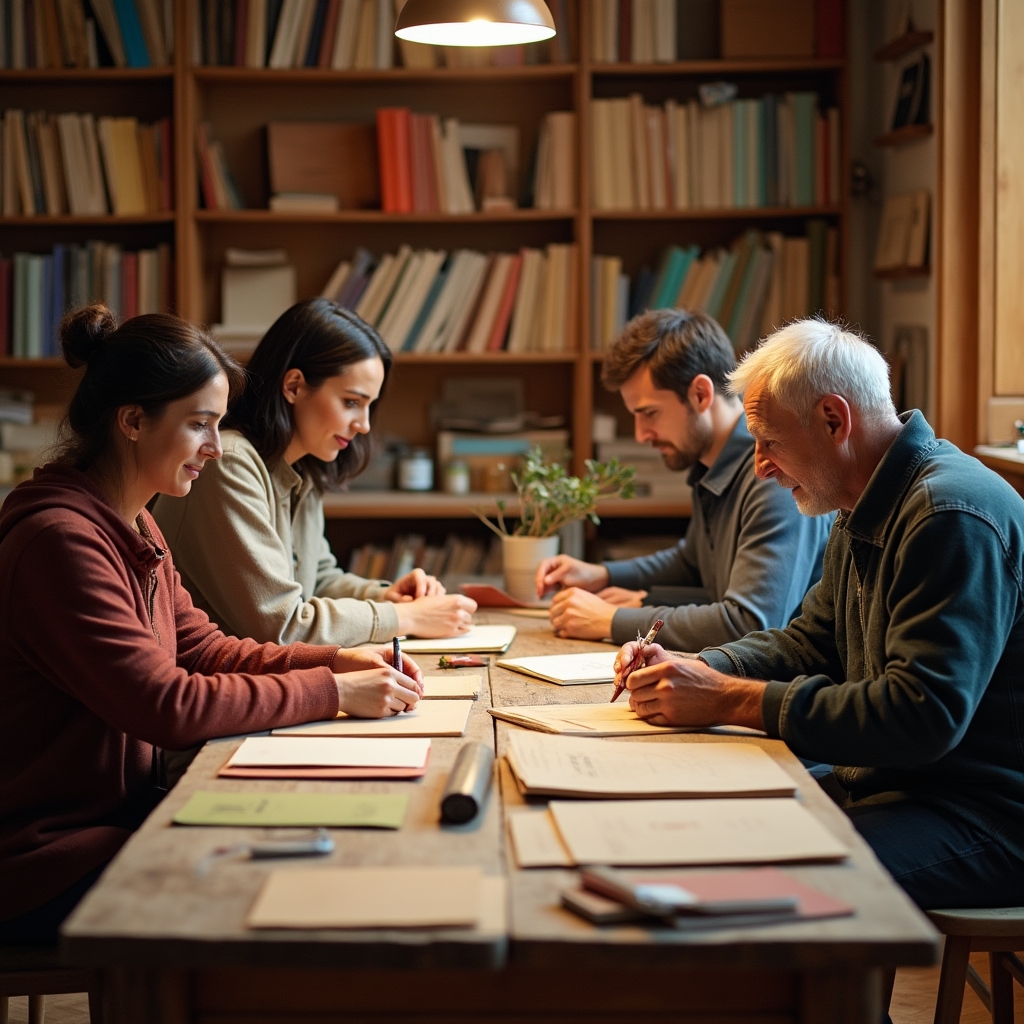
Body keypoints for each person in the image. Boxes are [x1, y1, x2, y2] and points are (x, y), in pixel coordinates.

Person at [0, 305, 424, 944]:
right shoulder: (61, 542)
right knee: (282, 894)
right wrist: (333, 690)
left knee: (319, 847)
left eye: (219, 425)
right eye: (200, 424)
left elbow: (205, 649)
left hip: (119, 820)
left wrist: (335, 660)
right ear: (133, 421)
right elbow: (167, 706)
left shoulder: (136, 524)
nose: (217, 448)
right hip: (44, 858)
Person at [616, 318, 1024, 913]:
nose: (760, 467)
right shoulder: (861, 500)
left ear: (834, 420)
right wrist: (699, 665)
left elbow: (921, 716)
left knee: (760, 878)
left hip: (984, 815)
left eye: (769, 442)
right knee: (706, 828)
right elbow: (809, 642)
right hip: (898, 787)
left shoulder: (950, 514)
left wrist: (728, 699)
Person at [154, 299, 476, 647]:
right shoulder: (229, 462)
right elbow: (282, 626)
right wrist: (406, 617)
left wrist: (388, 596)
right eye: (351, 402)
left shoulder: (302, 467)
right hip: (209, 674)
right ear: (293, 386)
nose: (364, 425)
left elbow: (318, 580)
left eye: (369, 406)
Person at [535, 308, 833, 650]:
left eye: (649, 413)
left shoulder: (772, 476)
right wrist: (603, 575)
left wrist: (609, 620)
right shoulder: (712, 466)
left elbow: (750, 624)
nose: (641, 435)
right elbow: (692, 562)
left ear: (701, 394)